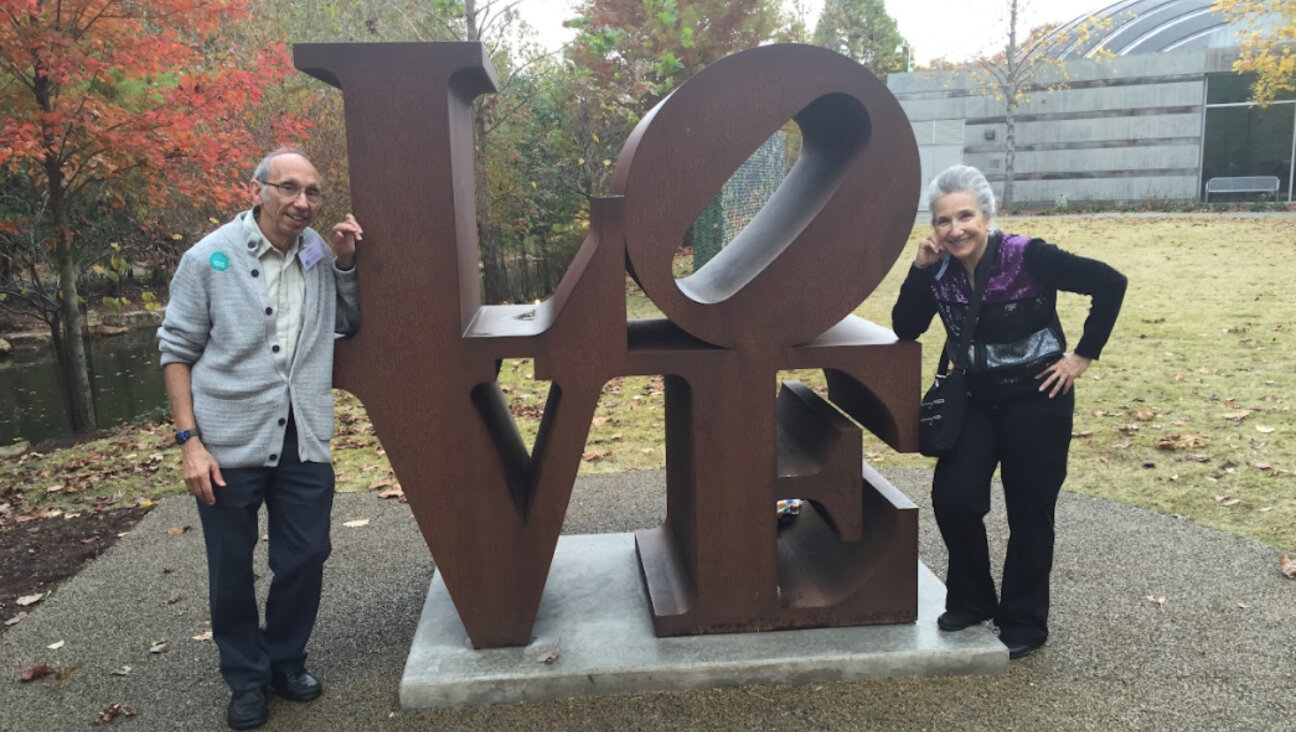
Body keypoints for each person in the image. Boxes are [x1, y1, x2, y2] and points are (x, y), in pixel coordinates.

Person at [158, 148, 364, 729]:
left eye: (312, 192)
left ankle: (285, 659)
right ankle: (246, 678)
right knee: (230, 566)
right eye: (288, 188)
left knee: (307, 554)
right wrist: (189, 441)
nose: (301, 202)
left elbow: (345, 324)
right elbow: (175, 351)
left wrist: (347, 264)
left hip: (304, 433)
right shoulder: (207, 259)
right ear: (256, 191)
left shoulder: (321, 253)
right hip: (227, 441)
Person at [891, 165, 1126, 660]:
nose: (955, 230)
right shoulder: (939, 267)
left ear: (987, 215)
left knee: (1029, 512)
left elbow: (1110, 283)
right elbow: (906, 326)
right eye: (942, 220)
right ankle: (973, 600)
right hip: (974, 400)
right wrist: (919, 269)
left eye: (965, 216)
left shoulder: (1028, 256)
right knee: (954, 498)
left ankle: (1023, 620)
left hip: (1037, 400)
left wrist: (1083, 355)